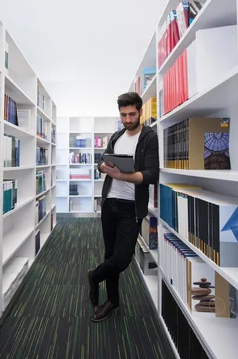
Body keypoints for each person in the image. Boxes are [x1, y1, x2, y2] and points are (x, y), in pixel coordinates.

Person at [87, 92, 159, 322]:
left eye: (132, 114)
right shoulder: (117, 136)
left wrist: (123, 174)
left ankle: (94, 276)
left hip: (131, 207)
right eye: (123, 115)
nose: (128, 119)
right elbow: (100, 161)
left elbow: (151, 175)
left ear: (140, 112)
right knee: (110, 254)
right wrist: (104, 167)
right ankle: (112, 301)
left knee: (121, 259)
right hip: (110, 203)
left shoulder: (149, 137)